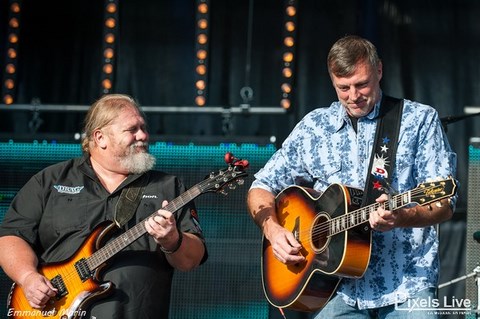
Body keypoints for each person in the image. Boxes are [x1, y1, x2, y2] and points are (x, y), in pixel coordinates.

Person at [247, 35, 457, 318]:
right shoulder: (314, 127)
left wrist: (403, 217)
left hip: (408, 284)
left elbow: (444, 204)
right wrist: (273, 230)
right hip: (333, 289)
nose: (353, 96)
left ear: (379, 70)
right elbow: (262, 186)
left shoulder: (419, 120)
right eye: (343, 88)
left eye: (362, 84)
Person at [0, 94, 207, 318]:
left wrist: (172, 240)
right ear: (100, 138)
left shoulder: (168, 187)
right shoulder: (51, 180)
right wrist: (27, 278)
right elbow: (11, 237)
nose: (143, 135)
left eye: (144, 128)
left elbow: (192, 259)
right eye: (132, 129)